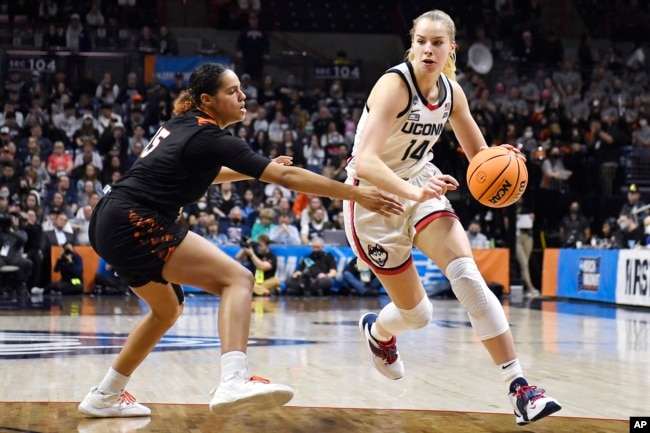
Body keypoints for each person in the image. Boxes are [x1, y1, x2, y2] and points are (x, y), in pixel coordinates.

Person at [78, 62, 403, 418]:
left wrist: (257, 170)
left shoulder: (185, 126)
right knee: (238, 278)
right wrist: (355, 195)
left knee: (167, 309)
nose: (242, 96)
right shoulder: (209, 136)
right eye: (232, 91)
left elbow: (207, 171)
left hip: (109, 219)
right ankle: (233, 378)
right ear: (208, 100)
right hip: (134, 219)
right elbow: (287, 177)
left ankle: (106, 394)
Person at [342, 10, 560, 426]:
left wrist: (503, 160)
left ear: (450, 48)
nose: (428, 49)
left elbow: (480, 157)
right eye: (422, 41)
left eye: (437, 42)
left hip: (421, 185)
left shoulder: (452, 93)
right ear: (413, 43)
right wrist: (412, 192)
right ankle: (379, 332)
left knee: (467, 277)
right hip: (372, 201)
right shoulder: (393, 84)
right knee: (417, 315)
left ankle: (520, 388)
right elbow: (365, 161)